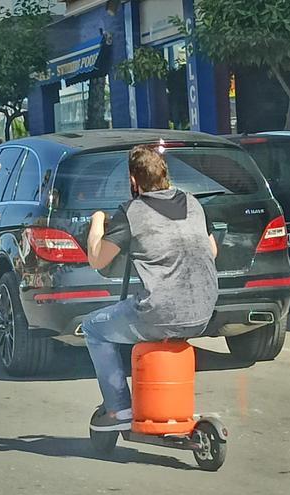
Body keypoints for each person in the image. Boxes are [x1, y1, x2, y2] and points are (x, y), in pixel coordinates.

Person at [82, 144, 218, 432]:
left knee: (94, 328)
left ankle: (118, 409)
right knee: (140, 308)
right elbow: (212, 250)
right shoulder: (193, 203)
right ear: (166, 174)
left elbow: (97, 260)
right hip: (204, 311)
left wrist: (96, 223)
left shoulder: (132, 212)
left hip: (159, 314)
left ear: (133, 180)